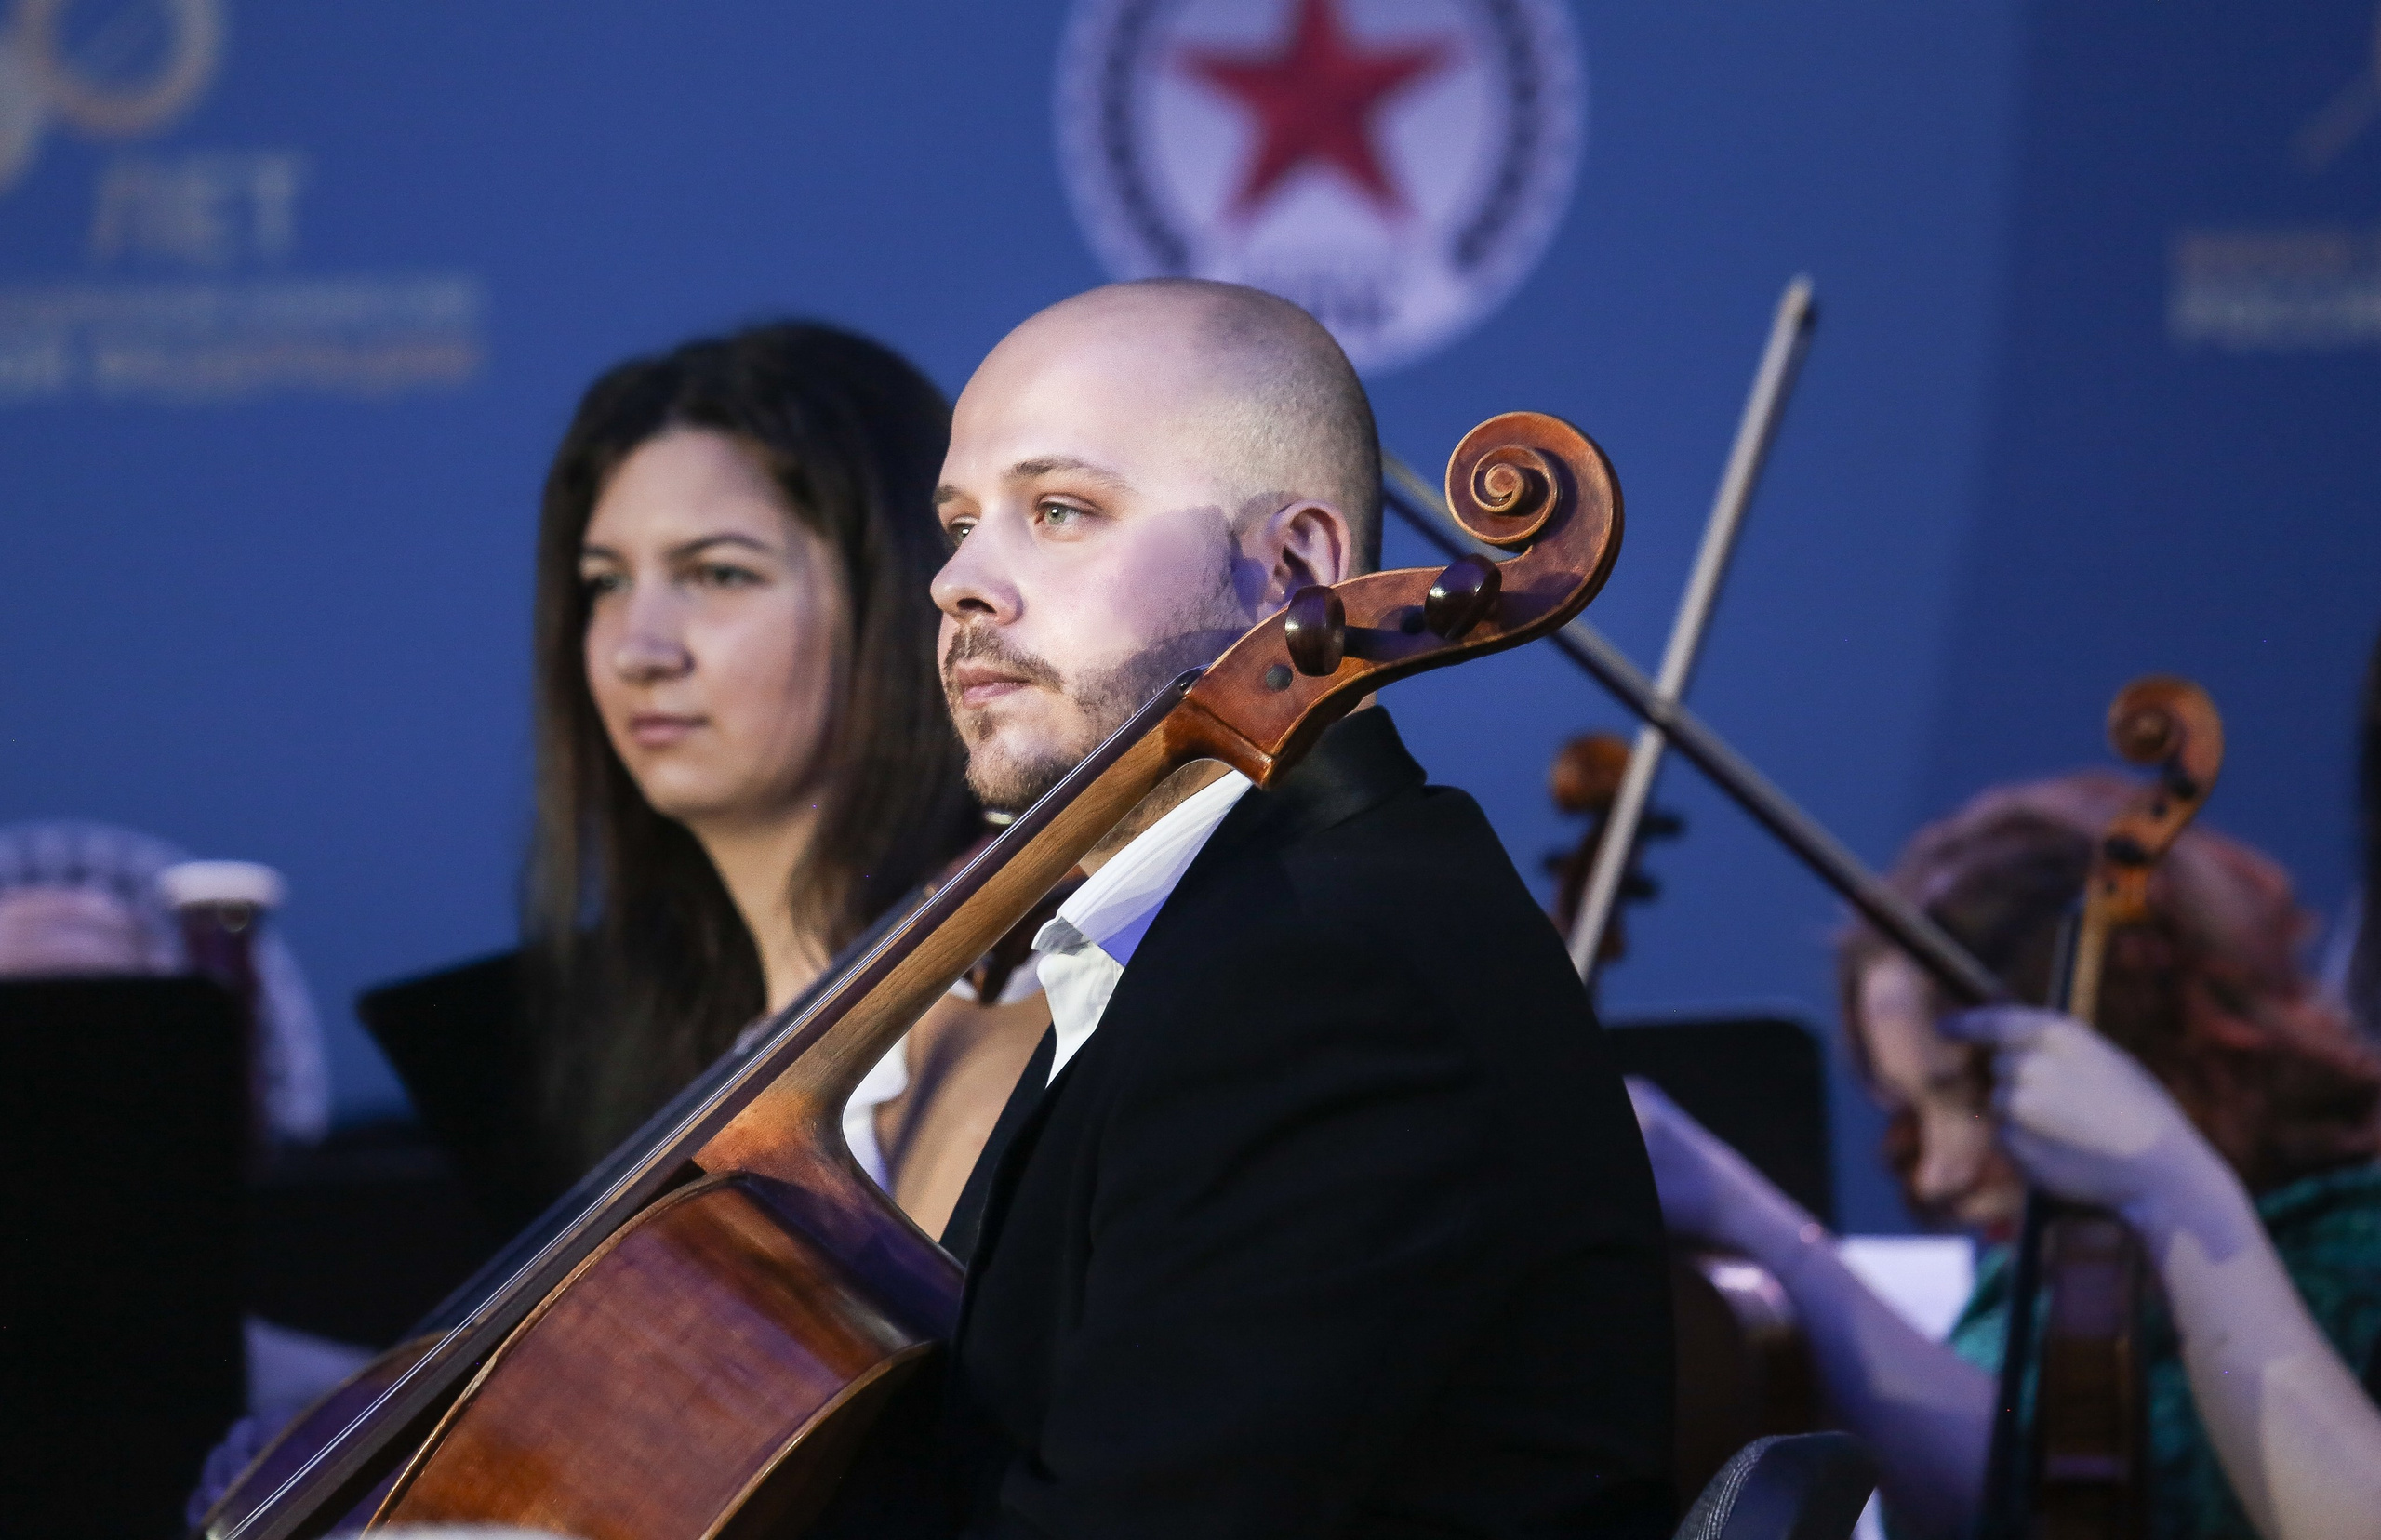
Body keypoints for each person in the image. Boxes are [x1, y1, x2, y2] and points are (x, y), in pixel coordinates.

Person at [881, 279, 1672, 1537]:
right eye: (960, 523)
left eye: (1060, 511)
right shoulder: (1246, 938)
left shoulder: (1324, 978)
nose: (960, 583)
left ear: (1291, 570)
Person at [360, 321, 1044, 1242]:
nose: (637, 649)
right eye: (604, 583)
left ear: (901, 593)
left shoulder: (1028, 1010)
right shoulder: (615, 1057)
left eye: (719, 573)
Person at [1630, 771, 2381, 1540]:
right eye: (1911, 1112)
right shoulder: (2035, 1276)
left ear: (2138, 1048)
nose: (1938, 1174)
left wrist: (1754, 1221)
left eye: (1968, 1095)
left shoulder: (2349, 1251)